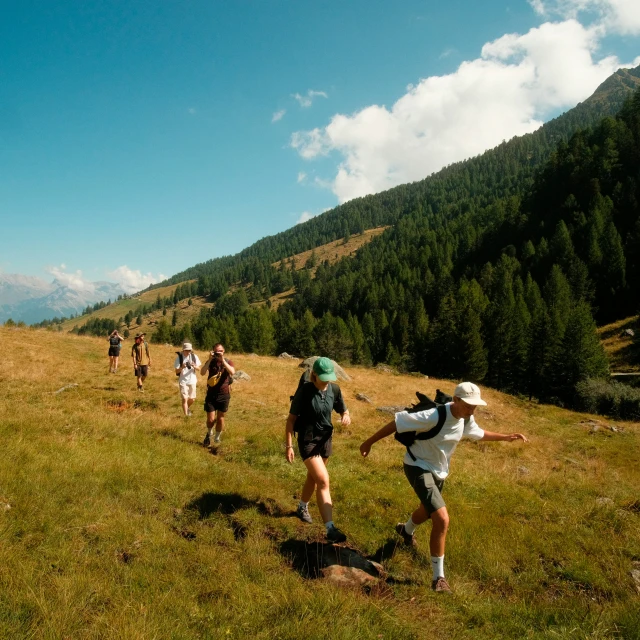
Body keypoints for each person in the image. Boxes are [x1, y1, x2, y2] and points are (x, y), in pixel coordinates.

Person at [359, 382, 528, 593]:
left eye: (475, 406)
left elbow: (479, 433)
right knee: (442, 518)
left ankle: (406, 530)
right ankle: (439, 578)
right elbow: (397, 422)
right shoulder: (434, 416)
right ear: (455, 400)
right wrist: (368, 442)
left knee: (428, 510)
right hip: (417, 466)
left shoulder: (466, 419)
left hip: (439, 471)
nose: (472, 409)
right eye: (468, 405)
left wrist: (506, 437)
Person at [285, 357, 351, 543]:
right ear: (314, 374)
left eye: (329, 376)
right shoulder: (305, 392)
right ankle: (330, 529)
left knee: (313, 478)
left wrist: (346, 416)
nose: (327, 380)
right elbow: (290, 420)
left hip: (325, 440)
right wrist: (289, 446)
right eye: (324, 377)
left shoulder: (334, 389)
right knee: (323, 479)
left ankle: (302, 507)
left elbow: (342, 409)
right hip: (308, 441)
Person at [200, 343, 235, 445]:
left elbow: (232, 372)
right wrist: (210, 359)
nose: (218, 353)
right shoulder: (211, 361)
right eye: (216, 351)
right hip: (211, 394)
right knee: (210, 419)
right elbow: (202, 372)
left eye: (220, 351)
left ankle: (217, 437)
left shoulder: (228, 361)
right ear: (213, 351)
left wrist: (223, 360)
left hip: (224, 394)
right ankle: (209, 432)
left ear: (224, 351)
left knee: (220, 418)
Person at [174, 342, 202, 417]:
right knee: (184, 399)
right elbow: (176, 371)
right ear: (183, 350)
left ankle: (187, 407)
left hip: (192, 380)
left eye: (189, 350)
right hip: (183, 381)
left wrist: (194, 366)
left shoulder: (194, 357)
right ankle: (186, 416)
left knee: (192, 399)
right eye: (186, 350)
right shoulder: (179, 358)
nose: (188, 352)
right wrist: (182, 367)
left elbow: (199, 369)